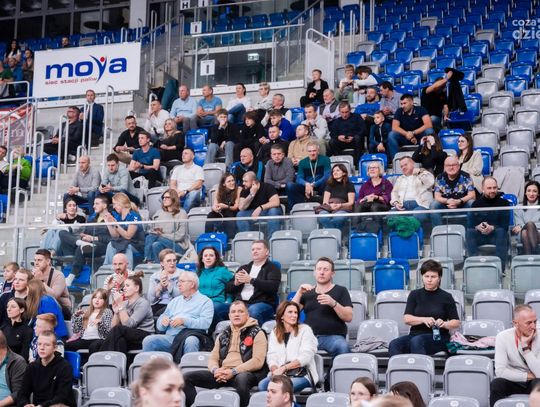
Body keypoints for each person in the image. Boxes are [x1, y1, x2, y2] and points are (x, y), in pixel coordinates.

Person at [182, 301, 268, 407]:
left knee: (242, 379)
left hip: (245, 373)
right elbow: (213, 358)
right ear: (229, 315)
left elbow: (258, 361)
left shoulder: (258, 333)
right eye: (233, 312)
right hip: (222, 374)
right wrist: (216, 370)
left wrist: (233, 371)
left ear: (247, 315)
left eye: (240, 311)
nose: (236, 314)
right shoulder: (223, 334)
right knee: (185, 378)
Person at [388, 259, 460, 356]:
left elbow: (456, 322)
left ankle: (421, 366)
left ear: (439, 278)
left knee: (417, 341)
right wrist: (423, 319)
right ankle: (400, 366)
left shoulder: (446, 297)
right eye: (426, 276)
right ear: (422, 277)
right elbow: (407, 319)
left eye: (433, 277)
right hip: (415, 335)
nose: (429, 280)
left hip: (438, 337)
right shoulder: (414, 295)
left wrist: (444, 324)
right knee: (394, 344)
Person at [292, 257, 353, 357]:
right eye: (319, 269)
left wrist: (333, 303)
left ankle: (335, 369)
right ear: (314, 272)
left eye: (326, 269)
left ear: (333, 273)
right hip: (308, 336)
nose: (322, 272)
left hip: (332, 337)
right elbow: (289, 312)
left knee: (342, 346)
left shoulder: (341, 290)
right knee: (289, 346)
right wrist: (299, 293)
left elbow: (349, 317)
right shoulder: (307, 292)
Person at [142, 271, 213, 356]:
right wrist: (163, 322)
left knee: (191, 341)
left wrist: (184, 321)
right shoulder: (175, 301)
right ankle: (150, 365)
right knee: (148, 340)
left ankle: (189, 364)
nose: (178, 284)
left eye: (182, 281)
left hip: (190, 336)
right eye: (178, 281)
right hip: (171, 337)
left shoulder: (205, 301)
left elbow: (205, 324)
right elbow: (160, 324)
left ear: (192, 284)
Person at [258, 301, 318, 392]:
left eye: (296, 312)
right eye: (290, 312)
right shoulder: (275, 332)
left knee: (282, 387)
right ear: (282, 316)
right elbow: (271, 356)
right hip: (280, 374)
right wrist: (275, 370)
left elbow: (306, 356)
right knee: (262, 386)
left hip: (302, 375)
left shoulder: (305, 330)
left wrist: (284, 368)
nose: (294, 315)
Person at [490, 305, 540, 406]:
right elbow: (500, 372)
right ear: (515, 323)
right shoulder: (502, 337)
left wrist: (525, 348)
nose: (533, 326)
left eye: (535, 322)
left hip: (535, 380)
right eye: (529, 323)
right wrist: (526, 376)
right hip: (513, 380)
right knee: (496, 384)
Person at [59, 194, 112, 284]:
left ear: (104, 205)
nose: (93, 206)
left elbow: (111, 239)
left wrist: (93, 238)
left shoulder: (111, 218)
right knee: (61, 232)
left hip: (101, 245)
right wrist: (83, 236)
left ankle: (72, 276)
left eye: (97, 204)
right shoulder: (91, 219)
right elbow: (86, 232)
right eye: (94, 204)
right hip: (87, 243)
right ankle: (80, 242)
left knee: (82, 247)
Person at [226, 240, 281, 325]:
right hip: (241, 303)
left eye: (258, 249)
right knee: (217, 309)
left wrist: (251, 280)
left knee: (253, 311)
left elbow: (273, 287)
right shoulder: (244, 268)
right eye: (253, 249)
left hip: (263, 303)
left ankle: (252, 333)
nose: (255, 251)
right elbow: (228, 288)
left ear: (267, 252)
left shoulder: (273, 268)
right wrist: (235, 284)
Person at [17, 331, 76, 407]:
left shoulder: (65, 367)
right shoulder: (31, 367)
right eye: (39, 344)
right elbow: (22, 393)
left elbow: (62, 397)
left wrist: (42, 406)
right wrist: (25, 404)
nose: (42, 348)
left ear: (55, 348)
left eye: (47, 345)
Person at [99, 272, 154, 354]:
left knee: (119, 329)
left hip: (144, 335)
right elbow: (113, 328)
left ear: (136, 288)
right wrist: (116, 312)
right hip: (129, 335)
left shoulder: (143, 303)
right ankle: (120, 362)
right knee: (120, 341)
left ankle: (101, 356)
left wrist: (121, 306)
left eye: (127, 286)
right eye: (124, 286)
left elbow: (129, 325)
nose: (124, 288)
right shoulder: (124, 303)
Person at [466, 176, 511, 270]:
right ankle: (474, 266)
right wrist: (477, 227)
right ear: (483, 189)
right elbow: (470, 225)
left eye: (494, 188)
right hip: (481, 236)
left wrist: (492, 227)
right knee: (470, 232)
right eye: (489, 188)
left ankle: (500, 268)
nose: (492, 190)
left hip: (496, 236)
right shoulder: (476, 204)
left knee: (501, 231)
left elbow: (505, 225)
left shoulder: (504, 203)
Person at [144, 189, 189, 263]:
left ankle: (148, 260)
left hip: (178, 245)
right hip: (161, 241)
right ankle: (159, 266)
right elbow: (156, 231)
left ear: (174, 199)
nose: (164, 199)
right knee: (155, 244)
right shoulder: (160, 213)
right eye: (163, 197)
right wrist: (156, 231)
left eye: (167, 197)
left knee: (153, 237)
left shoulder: (182, 213)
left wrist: (162, 235)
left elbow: (180, 236)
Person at [430, 156, 476, 226]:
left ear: (458, 166)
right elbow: (437, 197)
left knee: (471, 203)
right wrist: (447, 201)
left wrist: (459, 201)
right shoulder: (439, 178)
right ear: (444, 167)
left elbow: (472, 195)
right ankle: (439, 231)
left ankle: (470, 230)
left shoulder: (466, 176)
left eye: (454, 165)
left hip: (462, 206)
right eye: (448, 165)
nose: (451, 167)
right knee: (434, 204)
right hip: (445, 207)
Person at [103, 192, 145, 269]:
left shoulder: (134, 216)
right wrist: (108, 223)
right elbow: (115, 236)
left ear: (121, 203)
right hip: (123, 243)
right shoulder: (118, 217)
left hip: (136, 244)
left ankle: (127, 270)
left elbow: (128, 236)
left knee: (126, 247)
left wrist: (116, 224)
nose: (114, 207)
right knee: (111, 244)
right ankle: (108, 268)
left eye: (115, 204)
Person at [197, 247, 234, 332]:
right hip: (202, 303)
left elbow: (233, 286)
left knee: (211, 309)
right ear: (202, 259)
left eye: (211, 255)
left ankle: (215, 333)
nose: (208, 258)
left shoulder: (222, 271)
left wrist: (229, 300)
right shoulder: (199, 272)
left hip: (217, 302)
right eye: (205, 256)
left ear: (216, 258)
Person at [65, 288, 112, 354]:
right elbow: (76, 330)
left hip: (99, 339)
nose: (97, 300)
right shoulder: (87, 312)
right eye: (95, 297)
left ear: (105, 301)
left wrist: (100, 323)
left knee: (94, 346)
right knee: (67, 345)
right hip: (85, 339)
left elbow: (107, 333)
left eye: (100, 298)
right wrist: (76, 317)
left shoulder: (107, 312)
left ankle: (92, 360)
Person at [286, 141, 331, 210]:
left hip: (320, 185)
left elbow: (327, 176)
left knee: (328, 182)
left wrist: (314, 184)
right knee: (290, 185)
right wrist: (306, 184)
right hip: (306, 186)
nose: (312, 153)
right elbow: (299, 178)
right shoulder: (302, 162)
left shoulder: (325, 159)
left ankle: (324, 208)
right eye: (310, 151)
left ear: (318, 151)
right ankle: (296, 209)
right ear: (307, 152)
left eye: (314, 151)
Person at [388, 94, 434, 160]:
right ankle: (396, 160)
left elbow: (428, 124)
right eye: (401, 104)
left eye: (405, 103)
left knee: (429, 131)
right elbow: (394, 127)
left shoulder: (421, 109)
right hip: (405, 137)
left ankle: (431, 158)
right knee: (391, 134)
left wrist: (413, 133)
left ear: (412, 102)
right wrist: (407, 134)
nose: (402, 106)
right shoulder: (399, 111)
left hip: (420, 137)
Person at [236, 172, 282, 238]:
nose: (243, 183)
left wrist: (260, 208)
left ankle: (272, 239)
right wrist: (251, 195)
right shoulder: (244, 190)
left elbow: (276, 202)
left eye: (245, 181)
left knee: (273, 211)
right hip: (253, 213)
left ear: (253, 182)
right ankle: (248, 239)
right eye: (243, 181)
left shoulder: (267, 187)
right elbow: (241, 208)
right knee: (240, 215)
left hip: (268, 212)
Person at [31, 249, 71, 320]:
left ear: (48, 261)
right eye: (35, 260)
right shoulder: (33, 274)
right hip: (40, 306)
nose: (36, 263)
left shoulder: (58, 275)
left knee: (46, 301)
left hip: (61, 308)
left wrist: (41, 281)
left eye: (39, 260)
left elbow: (54, 296)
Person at [317, 164, 355, 229]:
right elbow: (325, 202)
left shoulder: (349, 185)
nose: (335, 172)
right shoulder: (329, 185)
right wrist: (331, 206)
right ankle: (335, 233)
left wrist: (340, 205)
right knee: (322, 216)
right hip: (329, 207)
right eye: (333, 171)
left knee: (339, 218)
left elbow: (351, 202)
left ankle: (331, 233)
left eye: (337, 170)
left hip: (343, 208)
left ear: (344, 173)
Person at [205, 173, 241, 239]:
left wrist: (226, 206)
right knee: (210, 215)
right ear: (224, 184)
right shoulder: (219, 190)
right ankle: (207, 237)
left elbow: (236, 207)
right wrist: (216, 209)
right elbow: (214, 205)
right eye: (229, 181)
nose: (232, 183)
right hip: (221, 211)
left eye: (233, 180)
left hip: (232, 212)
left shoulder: (238, 189)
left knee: (229, 217)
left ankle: (229, 239)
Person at [147, 249, 181, 316]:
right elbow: (150, 300)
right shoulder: (155, 276)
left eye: (174, 260)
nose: (172, 263)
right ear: (162, 263)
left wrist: (169, 285)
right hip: (158, 305)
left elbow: (182, 296)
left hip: (176, 305)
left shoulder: (182, 275)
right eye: (169, 261)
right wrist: (160, 286)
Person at [513, 181, 540, 254]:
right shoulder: (518, 207)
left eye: (534, 191)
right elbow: (518, 223)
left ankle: (530, 258)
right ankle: (536, 253)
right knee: (525, 232)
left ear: (538, 193)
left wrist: (530, 226)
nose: (531, 194)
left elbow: (520, 226)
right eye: (529, 191)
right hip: (522, 233)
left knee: (528, 228)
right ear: (525, 193)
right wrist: (526, 226)